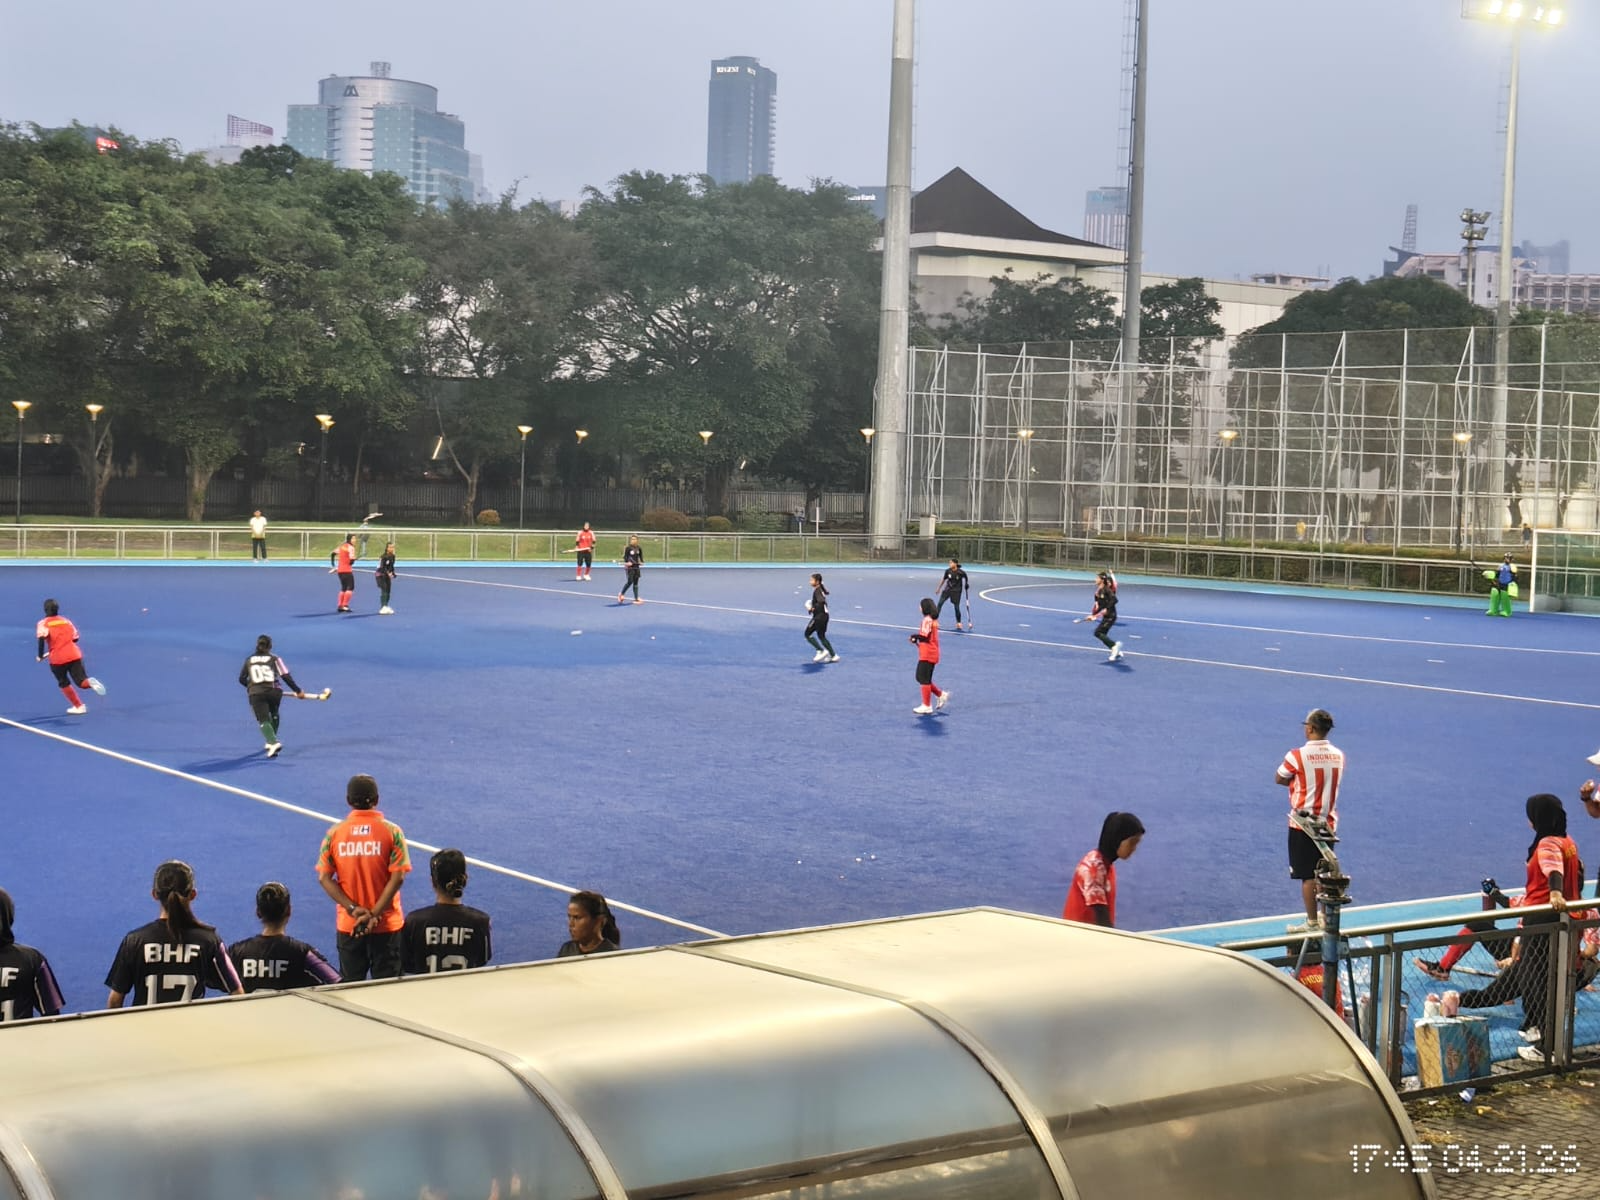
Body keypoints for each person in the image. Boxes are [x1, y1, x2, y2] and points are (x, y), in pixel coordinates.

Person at [1450, 795, 1582, 1063]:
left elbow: (1552, 870)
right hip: (1565, 919)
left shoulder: (1546, 844)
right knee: (1545, 978)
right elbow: (1577, 872)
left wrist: (1555, 894)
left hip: (1541, 919)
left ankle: (1545, 1046)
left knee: (1535, 979)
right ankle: (1542, 1034)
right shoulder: (1568, 842)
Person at [105, 860, 244, 1008]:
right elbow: (238, 993)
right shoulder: (209, 941)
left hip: (145, 1030)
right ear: (192, 894)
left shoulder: (134, 941)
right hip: (192, 1029)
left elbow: (115, 1001)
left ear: (154, 894)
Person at [315, 774, 412, 981]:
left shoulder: (334, 833)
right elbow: (398, 877)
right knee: (388, 993)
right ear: (377, 800)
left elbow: (324, 878)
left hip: (350, 925)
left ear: (348, 801)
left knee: (351, 991)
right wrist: (374, 914)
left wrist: (353, 909)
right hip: (386, 925)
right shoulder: (392, 832)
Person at [1275, 708, 1345, 933]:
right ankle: (1326, 918)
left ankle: (1312, 922)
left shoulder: (1296, 755)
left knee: (1307, 877)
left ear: (1310, 728)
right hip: (1327, 823)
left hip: (1302, 824)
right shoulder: (1338, 755)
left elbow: (1280, 778)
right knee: (1324, 872)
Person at [228, 882, 341, 993]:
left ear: (258, 912)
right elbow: (337, 981)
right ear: (289, 911)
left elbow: (217, 978)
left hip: (248, 1011)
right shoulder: (302, 952)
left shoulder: (236, 952)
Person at [401, 849, 493, 975]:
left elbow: (408, 964)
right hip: (465, 992)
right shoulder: (480, 922)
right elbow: (482, 959)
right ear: (465, 879)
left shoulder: (414, 922)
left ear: (432, 881)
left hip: (425, 993)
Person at [1061, 812, 1145, 928]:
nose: (1134, 849)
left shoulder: (1106, 866)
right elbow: (1103, 922)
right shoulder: (1093, 871)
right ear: (1117, 839)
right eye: (1132, 843)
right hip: (1079, 940)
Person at [0, 886, 65, 1021]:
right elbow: (53, 1018)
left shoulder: (33, 960)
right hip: (21, 1041)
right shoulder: (32, 959)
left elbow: (53, 1019)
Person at [239, 634, 306, 758]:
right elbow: (285, 676)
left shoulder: (249, 659)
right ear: (270, 646)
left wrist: (251, 687)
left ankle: (273, 742)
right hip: (274, 691)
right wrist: (298, 691)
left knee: (263, 719)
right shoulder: (275, 658)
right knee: (274, 713)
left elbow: (242, 679)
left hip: (256, 693)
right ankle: (271, 740)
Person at [35, 598, 106, 715]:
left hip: (58, 659)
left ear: (45, 610)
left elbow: (41, 640)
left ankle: (79, 706)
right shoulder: (66, 621)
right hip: (74, 655)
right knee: (81, 682)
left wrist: (40, 655)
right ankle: (91, 682)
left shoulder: (43, 623)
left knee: (63, 682)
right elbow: (75, 638)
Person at [908, 597, 949, 715]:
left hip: (928, 654)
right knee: (922, 678)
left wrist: (915, 636)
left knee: (923, 678)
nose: (919, 608)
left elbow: (924, 636)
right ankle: (940, 695)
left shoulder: (927, 620)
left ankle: (927, 705)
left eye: (920, 606)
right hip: (930, 652)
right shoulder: (932, 620)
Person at [557, 891, 621, 957]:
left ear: (599, 921)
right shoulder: (566, 950)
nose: (571, 924)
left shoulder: (613, 955)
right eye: (569, 917)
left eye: (577, 918)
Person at [1088, 570, 1123, 661]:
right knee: (1102, 635)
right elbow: (1100, 606)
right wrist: (1093, 615)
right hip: (1106, 616)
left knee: (1098, 633)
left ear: (1102, 580)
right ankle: (1116, 650)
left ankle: (1115, 646)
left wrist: (1107, 608)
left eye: (1097, 578)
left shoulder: (1107, 589)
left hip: (1111, 615)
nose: (1095, 579)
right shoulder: (1099, 591)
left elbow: (1115, 600)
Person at [805, 572, 838, 663]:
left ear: (817, 581)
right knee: (821, 636)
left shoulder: (817, 591)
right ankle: (833, 655)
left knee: (807, 634)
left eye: (812, 580)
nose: (810, 582)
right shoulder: (820, 589)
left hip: (819, 617)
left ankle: (821, 651)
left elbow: (821, 601)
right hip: (824, 616)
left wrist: (811, 608)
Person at [935, 558, 971, 630]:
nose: (950, 564)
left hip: (956, 591)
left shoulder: (961, 572)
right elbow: (944, 579)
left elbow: (966, 578)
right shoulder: (947, 571)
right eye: (949, 563)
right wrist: (939, 588)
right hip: (947, 590)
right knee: (939, 604)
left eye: (951, 563)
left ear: (955, 564)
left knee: (956, 607)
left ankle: (958, 623)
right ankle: (935, 621)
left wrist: (966, 585)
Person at [328, 533, 357, 613]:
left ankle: (340, 605)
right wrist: (353, 560)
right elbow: (351, 562)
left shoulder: (342, 546)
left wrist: (333, 565)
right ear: (349, 539)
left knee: (343, 587)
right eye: (353, 538)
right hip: (347, 570)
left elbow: (333, 554)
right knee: (350, 587)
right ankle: (345, 605)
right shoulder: (351, 548)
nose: (355, 540)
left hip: (340, 570)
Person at [1487, 553, 1517, 618]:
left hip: (1507, 584)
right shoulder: (1500, 566)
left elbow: (1514, 576)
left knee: (1505, 597)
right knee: (1495, 595)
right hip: (1499, 583)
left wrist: (1513, 583)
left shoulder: (1512, 567)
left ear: (1511, 559)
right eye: (1506, 558)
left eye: (1509, 558)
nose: (1507, 559)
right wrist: (1491, 576)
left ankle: (1506, 611)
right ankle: (1493, 610)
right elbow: (1497, 574)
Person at [617, 534, 644, 604]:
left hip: (636, 567)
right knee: (630, 581)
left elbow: (641, 556)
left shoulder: (639, 548)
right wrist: (627, 562)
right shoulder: (628, 548)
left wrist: (641, 562)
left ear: (637, 540)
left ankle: (636, 598)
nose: (632, 540)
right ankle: (621, 594)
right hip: (630, 567)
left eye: (634, 539)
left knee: (636, 582)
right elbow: (625, 557)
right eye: (632, 539)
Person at [374, 542, 397, 615]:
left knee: (388, 591)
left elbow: (391, 566)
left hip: (387, 575)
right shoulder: (383, 557)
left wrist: (393, 573)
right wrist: (388, 573)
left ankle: (386, 606)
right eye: (390, 547)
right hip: (380, 575)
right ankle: (383, 607)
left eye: (393, 547)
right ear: (387, 548)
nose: (392, 549)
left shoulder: (393, 556)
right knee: (384, 590)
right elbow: (382, 567)